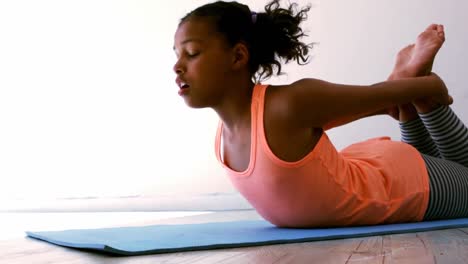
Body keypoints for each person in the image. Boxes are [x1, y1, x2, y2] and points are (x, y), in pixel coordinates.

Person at [172, 0, 468, 228]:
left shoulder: (288, 105)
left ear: (238, 56)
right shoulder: (223, 136)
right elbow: (384, 104)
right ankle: (410, 90)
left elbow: (377, 96)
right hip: (371, 170)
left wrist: (426, 88)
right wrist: (401, 93)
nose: (177, 66)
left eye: (192, 52)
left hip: (405, 187)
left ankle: (420, 98)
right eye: (177, 55)